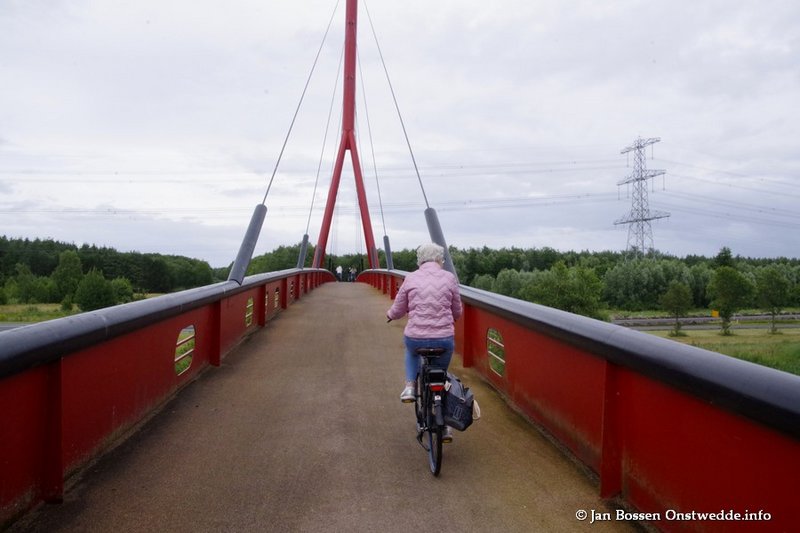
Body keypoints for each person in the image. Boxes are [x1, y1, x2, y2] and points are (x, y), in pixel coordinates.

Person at [386, 243, 462, 440]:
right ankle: (445, 426)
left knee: (411, 350)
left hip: (416, 338)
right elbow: (457, 309)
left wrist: (390, 315)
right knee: (442, 378)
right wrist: (452, 317)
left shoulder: (411, 278)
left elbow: (399, 308)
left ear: (420, 260)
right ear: (440, 260)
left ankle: (410, 386)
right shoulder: (449, 278)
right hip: (444, 339)